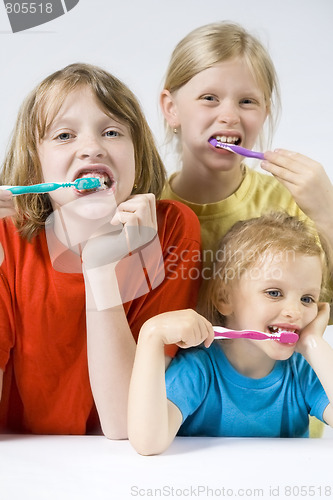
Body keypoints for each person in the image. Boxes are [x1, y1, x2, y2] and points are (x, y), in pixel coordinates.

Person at [0, 63, 202, 438]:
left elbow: (128, 422)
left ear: (137, 160)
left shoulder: (171, 231)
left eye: (111, 132)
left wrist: (99, 270)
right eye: (64, 135)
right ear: (34, 169)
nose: (91, 147)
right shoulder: (7, 241)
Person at [159, 21, 333, 436]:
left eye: (248, 101)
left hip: (281, 418)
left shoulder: (288, 203)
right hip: (178, 417)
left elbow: (318, 308)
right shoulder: (149, 208)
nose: (229, 115)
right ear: (171, 108)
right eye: (209, 98)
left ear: (266, 111)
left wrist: (326, 214)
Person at [128, 212, 333, 455]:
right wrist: (151, 336)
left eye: (307, 299)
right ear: (225, 298)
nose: (295, 311)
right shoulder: (200, 369)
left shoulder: (302, 372)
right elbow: (148, 443)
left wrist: (313, 344)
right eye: (274, 293)